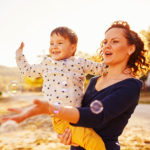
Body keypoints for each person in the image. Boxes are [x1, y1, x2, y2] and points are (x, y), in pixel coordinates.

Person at [2, 20, 148, 150]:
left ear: (131, 48)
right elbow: (79, 114)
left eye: (114, 41)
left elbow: (95, 117)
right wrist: (69, 135)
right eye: (105, 42)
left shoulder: (130, 85)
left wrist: (51, 109)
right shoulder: (94, 80)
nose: (106, 47)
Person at [2, 27, 106, 150]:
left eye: (60, 43)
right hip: (59, 117)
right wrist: (19, 56)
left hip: (77, 114)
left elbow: (101, 68)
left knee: (92, 142)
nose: (54, 46)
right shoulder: (46, 64)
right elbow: (28, 71)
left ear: (73, 48)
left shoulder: (80, 62)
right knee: (92, 143)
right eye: (51, 43)